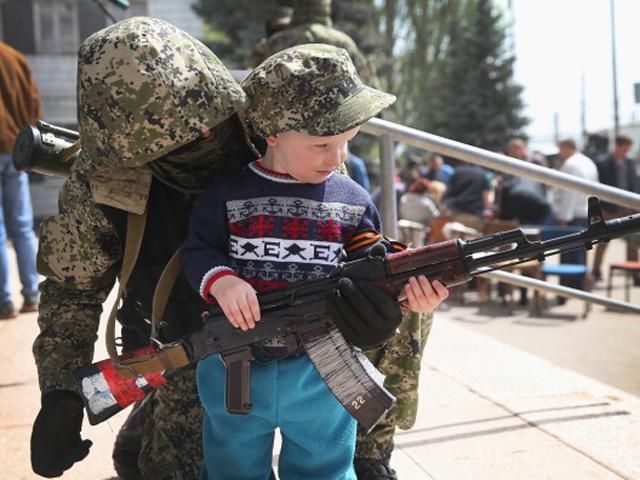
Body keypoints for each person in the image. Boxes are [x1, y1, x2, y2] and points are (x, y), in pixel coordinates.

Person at [181, 44, 449, 480]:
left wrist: (411, 292)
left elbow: (372, 263)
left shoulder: (353, 200)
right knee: (231, 467)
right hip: (235, 362)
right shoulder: (227, 193)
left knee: (324, 468)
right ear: (272, 133)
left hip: (323, 365)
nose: (337, 158)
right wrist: (222, 281)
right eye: (322, 144)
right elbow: (198, 249)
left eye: (346, 142)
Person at [28, 17, 255, 479]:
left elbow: (346, 234)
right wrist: (61, 396)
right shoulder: (106, 174)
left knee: (402, 298)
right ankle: (155, 415)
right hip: (176, 343)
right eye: (178, 143)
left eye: (208, 126)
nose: (206, 138)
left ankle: (369, 458)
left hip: (287, 334)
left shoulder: (276, 126)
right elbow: (74, 289)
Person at [248, 3, 437, 478]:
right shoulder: (341, 44)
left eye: (347, 142)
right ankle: (372, 453)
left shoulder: (269, 48)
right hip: (241, 327)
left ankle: (365, 454)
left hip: (296, 164)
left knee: (392, 277)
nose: (340, 155)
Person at [0, 41, 41, 319]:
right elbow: (33, 100)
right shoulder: (15, 57)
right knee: (24, 226)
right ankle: (32, 293)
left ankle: (4, 300)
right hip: (15, 148)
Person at [247, 0, 378, 87]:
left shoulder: (276, 41)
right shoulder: (344, 42)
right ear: (326, 7)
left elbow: (251, 78)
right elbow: (368, 83)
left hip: (283, 120)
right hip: (338, 120)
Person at [592, 134, 640, 283]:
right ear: (618, 146)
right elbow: (599, 188)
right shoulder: (602, 163)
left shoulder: (630, 163)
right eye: (625, 149)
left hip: (629, 209)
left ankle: (634, 272)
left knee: (633, 242)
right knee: (603, 241)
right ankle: (596, 271)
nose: (626, 152)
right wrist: (603, 208)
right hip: (608, 209)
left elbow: (634, 183)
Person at [552, 138, 598, 292]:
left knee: (570, 255)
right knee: (582, 252)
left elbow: (570, 193)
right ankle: (581, 285)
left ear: (566, 148)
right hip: (586, 213)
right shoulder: (588, 162)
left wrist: (564, 217)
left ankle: (571, 288)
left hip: (573, 215)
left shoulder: (571, 164)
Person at [442, 164, 494, 231]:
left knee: (455, 239)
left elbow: (447, 192)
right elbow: (487, 199)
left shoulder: (457, 171)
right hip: (474, 215)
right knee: (472, 240)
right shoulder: (484, 175)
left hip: (455, 213)